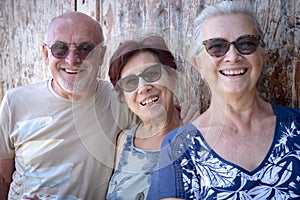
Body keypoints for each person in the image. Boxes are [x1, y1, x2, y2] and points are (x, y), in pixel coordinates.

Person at [0, 12, 198, 200]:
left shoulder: (120, 100)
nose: (72, 59)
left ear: (101, 54)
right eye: (60, 49)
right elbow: (2, 178)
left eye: (84, 49)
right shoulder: (15, 102)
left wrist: (187, 113)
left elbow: (156, 111)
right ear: (45, 53)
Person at [147, 1, 300, 200]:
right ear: (199, 65)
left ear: (262, 56)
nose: (232, 56)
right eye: (216, 47)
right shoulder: (179, 147)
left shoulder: (296, 126)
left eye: (246, 44)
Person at [106, 34, 183, 199]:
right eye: (130, 83)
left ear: (173, 78)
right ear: (123, 98)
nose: (143, 87)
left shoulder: (198, 138)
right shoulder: (124, 141)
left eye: (152, 73)